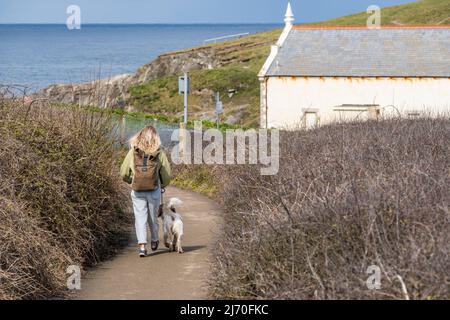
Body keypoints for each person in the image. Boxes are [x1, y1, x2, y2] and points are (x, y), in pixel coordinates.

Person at [120, 125, 171, 258]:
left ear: (140, 136)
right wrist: (162, 185)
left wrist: (131, 180)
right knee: (153, 217)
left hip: (137, 190)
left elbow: (124, 172)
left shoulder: (133, 152)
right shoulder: (159, 152)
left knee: (140, 217)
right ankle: (154, 239)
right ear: (156, 137)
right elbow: (167, 174)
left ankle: (142, 246)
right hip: (154, 190)